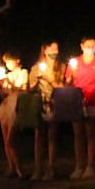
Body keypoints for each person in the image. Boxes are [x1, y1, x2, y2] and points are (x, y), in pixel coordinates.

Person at [66, 37, 95, 178]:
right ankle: (79, 166)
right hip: (77, 100)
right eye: (88, 45)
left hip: (94, 100)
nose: (91, 48)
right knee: (78, 134)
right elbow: (69, 82)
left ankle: (90, 166)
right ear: (82, 46)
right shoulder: (75, 62)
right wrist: (71, 77)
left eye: (93, 45)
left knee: (91, 133)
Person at [0, 51, 29, 178]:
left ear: (17, 60)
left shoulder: (23, 73)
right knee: (5, 140)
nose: (8, 64)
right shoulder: (7, 75)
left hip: (16, 104)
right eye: (6, 61)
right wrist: (1, 85)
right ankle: (11, 167)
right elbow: (4, 93)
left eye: (10, 61)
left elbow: (21, 89)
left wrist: (9, 81)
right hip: (6, 105)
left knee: (11, 140)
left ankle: (20, 169)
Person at [31, 42, 62, 180]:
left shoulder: (61, 67)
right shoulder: (36, 68)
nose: (54, 51)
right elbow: (29, 88)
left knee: (52, 137)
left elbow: (63, 87)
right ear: (44, 50)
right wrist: (35, 82)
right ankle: (38, 169)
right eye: (51, 48)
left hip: (54, 103)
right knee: (38, 137)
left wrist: (51, 81)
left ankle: (51, 169)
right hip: (40, 104)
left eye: (56, 48)